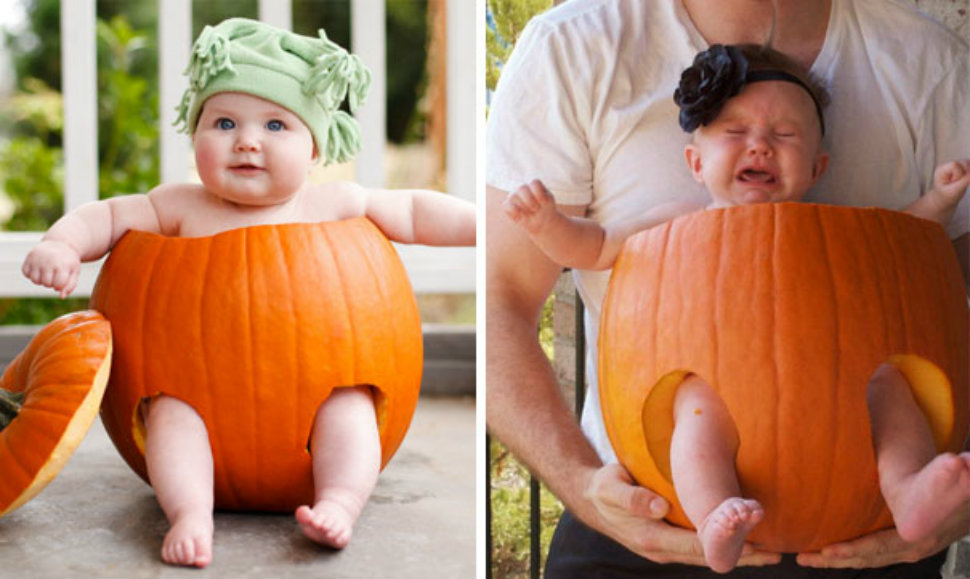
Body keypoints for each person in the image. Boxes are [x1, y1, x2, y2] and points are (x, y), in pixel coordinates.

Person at [486, 0, 969, 577]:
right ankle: (715, 508)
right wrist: (582, 485)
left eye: (784, 134)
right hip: (644, 522)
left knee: (891, 389)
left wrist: (942, 199)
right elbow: (525, 285)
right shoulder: (576, 47)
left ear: (819, 166)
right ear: (693, 160)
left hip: (872, 528)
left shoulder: (929, 62)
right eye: (735, 132)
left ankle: (910, 488)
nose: (759, 147)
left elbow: (913, 241)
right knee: (695, 407)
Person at [21, 18, 475, 568]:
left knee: (352, 408)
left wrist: (485, 227)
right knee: (168, 415)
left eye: (277, 125)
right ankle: (189, 512)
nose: (248, 141)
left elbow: (413, 210)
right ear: (196, 135)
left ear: (314, 150)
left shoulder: (333, 206)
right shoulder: (178, 207)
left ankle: (340, 501)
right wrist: (63, 244)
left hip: (315, 385)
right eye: (225, 122)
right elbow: (110, 214)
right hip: (195, 388)